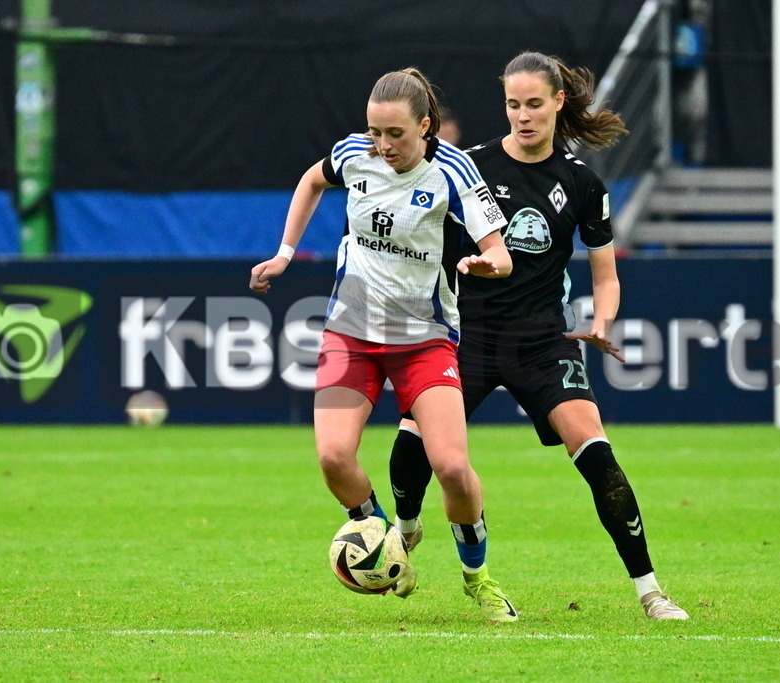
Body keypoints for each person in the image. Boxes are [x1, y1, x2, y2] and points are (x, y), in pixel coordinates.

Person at [387, 52, 690, 620]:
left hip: (542, 342)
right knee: (409, 446)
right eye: (511, 104)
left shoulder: (581, 183)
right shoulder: (464, 168)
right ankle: (403, 533)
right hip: (463, 337)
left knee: (597, 452)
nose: (522, 115)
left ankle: (650, 591)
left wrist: (601, 322)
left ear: (557, 103)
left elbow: (606, 275)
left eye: (532, 103)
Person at [249, 67, 519, 623]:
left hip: (424, 342)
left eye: (395, 134)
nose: (383, 145)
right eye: (375, 132)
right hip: (351, 334)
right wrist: (284, 252)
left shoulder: (455, 169)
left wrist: (486, 262)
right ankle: (384, 538)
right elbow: (311, 182)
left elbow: (502, 252)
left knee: (450, 467)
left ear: (426, 127)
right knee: (332, 457)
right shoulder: (353, 154)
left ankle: (478, 578)